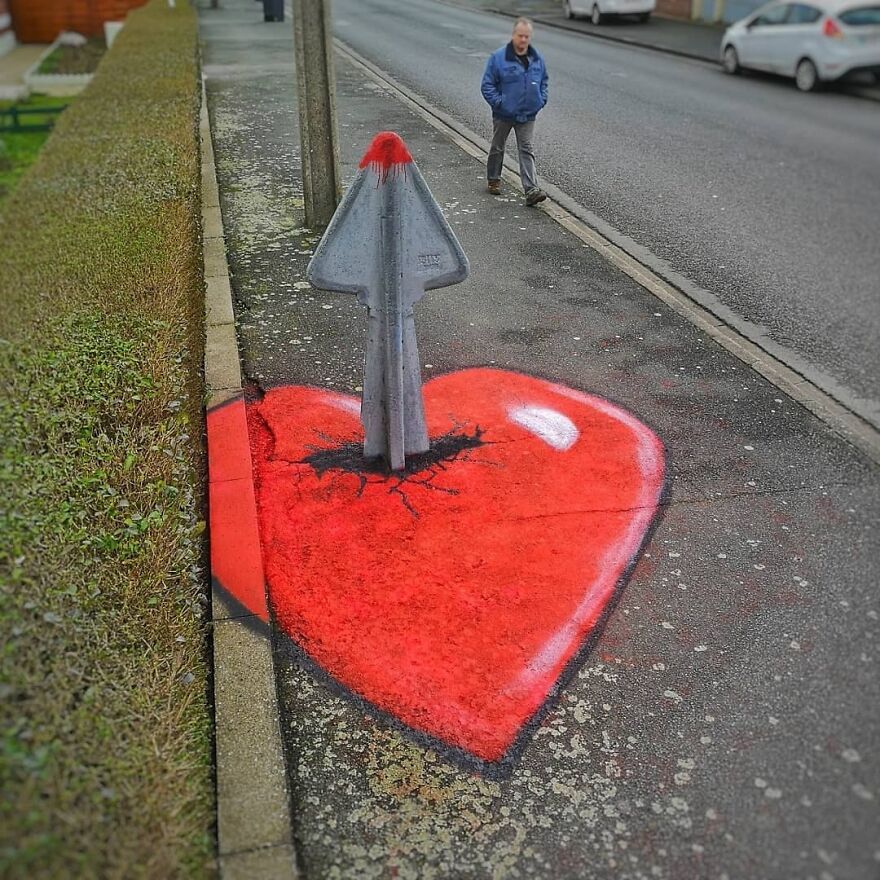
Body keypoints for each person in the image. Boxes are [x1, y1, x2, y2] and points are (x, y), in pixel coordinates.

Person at [480, 18, 549, 206]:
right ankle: (493, 179)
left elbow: (544, 81)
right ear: (513, 35)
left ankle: (531, 189)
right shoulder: (498, 58)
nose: (524, 39)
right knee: (498, 146)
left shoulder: (537, 59)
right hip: (504, 114)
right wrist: (499, 103)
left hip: (528, 114)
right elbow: (487, 85)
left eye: (527, 36)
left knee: (526, 149)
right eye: (520, 36)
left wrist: (541, 100)